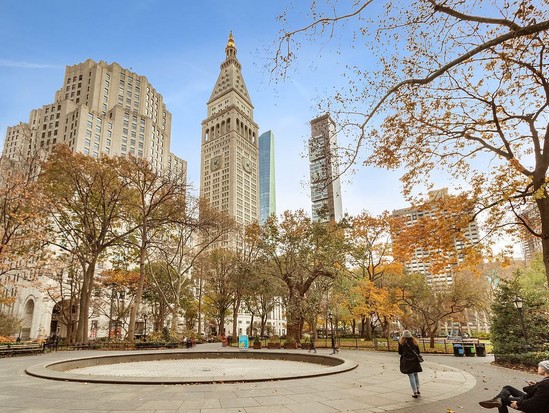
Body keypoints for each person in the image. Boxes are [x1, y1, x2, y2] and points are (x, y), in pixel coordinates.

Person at [479, 360, 549, 412]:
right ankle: (498, 399)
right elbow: (541, 393)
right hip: (529, 398)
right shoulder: (545, 381)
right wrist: (535, 385)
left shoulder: (546, 384)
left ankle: (498, 400)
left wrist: (518, 404)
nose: (537, 368)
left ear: (544, 369)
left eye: (539, 367)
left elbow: (536, 402)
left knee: (503, 401)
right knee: (508, 388)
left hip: (535, 407)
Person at [398, 330, 423, 398]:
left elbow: (400, 352)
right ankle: (418, 389)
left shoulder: (401, 342)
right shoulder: (414, 341)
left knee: (411, 375)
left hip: (406, 361)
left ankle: (414, 392)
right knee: (415, 374)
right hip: (415, 360)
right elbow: (418, 351)